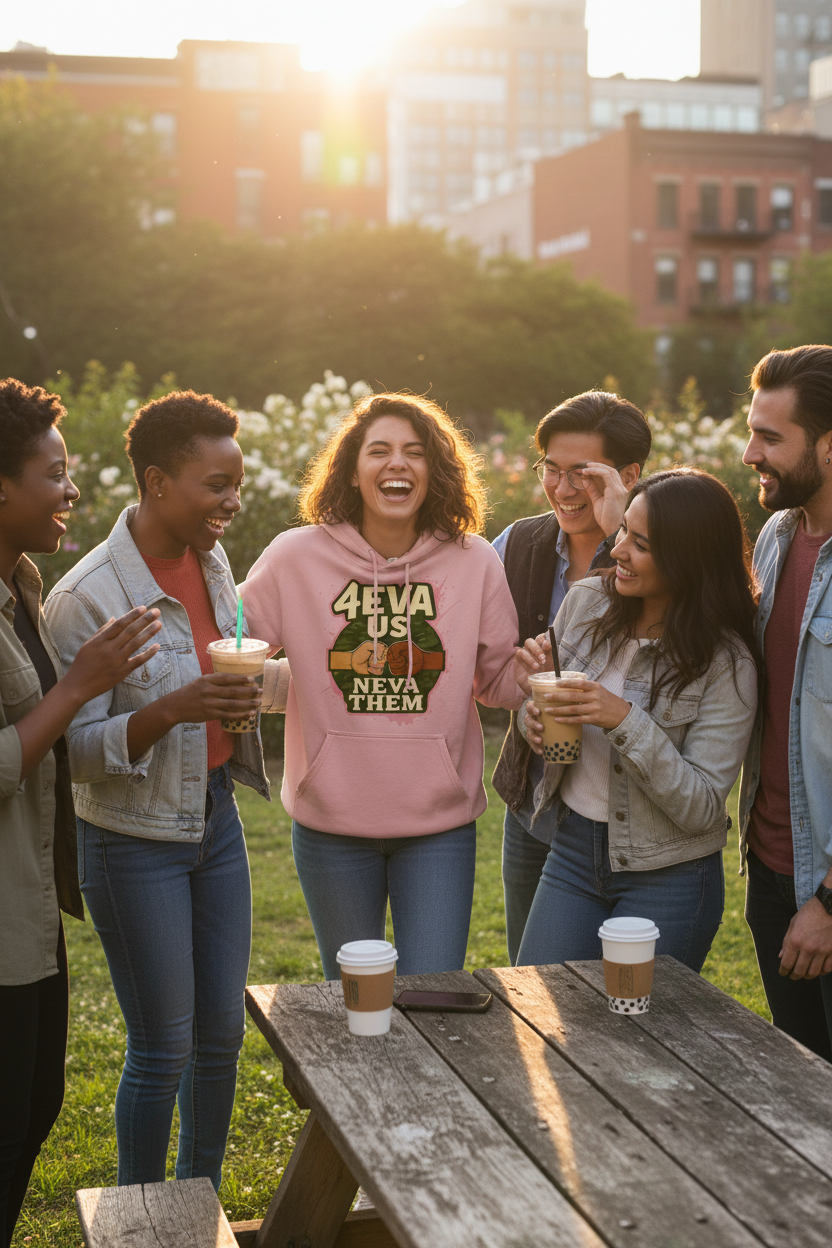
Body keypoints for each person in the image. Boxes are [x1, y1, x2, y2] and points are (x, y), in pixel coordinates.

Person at [43, 390, 288, 1191]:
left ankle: (200, 1200)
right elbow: (67, 755)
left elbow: (223, 668)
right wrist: (172, 709)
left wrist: (239, 699)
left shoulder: (211, 558)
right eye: (215, 485)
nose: (232, 502)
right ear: (156, 482)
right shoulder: (84, 599)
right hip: (129, 840)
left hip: (214, 820)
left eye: (236, 483)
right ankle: (143, 1223)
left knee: (220, 1036)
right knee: (163, 1047)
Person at [240, 392, 524, 981]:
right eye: (380, 451)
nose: (397, 464)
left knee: (432, 997)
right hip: (331, 825)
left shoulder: (474, 562)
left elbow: (495, 684)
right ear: (352, 469)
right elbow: (232, 649)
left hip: (438, 827)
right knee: (354, 1003)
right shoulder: (295, 557)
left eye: (414, 453)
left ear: (435, 471)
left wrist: (534, 669)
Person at [0, 379, 161, 1247]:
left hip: (30, 912)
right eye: (54, 473)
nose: (71, 491)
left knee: (37, 1106)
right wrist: (79, 687)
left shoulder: (21, 584)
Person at [514, 468, 760, 971]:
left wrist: (623, 719)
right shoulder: (586, 602)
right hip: (574, 851)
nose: (619, 549)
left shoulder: (727, 665)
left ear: (689, 559)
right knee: (542, 1018)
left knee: (639, 1037)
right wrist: (531, 717)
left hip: (669, 873)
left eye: (641, 543)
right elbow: (544, 713)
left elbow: (701, 807)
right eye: (623, 529)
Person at [491, 390, 652, 964]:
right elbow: (475, 654)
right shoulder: (516, 545)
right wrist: (512, 672)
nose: (561, 490)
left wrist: (618, 531)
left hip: (630, 808)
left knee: (624, 991)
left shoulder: (662, 554)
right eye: (550, 471)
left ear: (627, 475)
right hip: (534, 796)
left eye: (581, 475)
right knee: (530, 980)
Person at [739, 345, 832, 1060]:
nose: (750, 453)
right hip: (770, 872)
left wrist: (828, 903)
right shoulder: (776, 537)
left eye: (770, 437)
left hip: (823, 895)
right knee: (802, 1095)